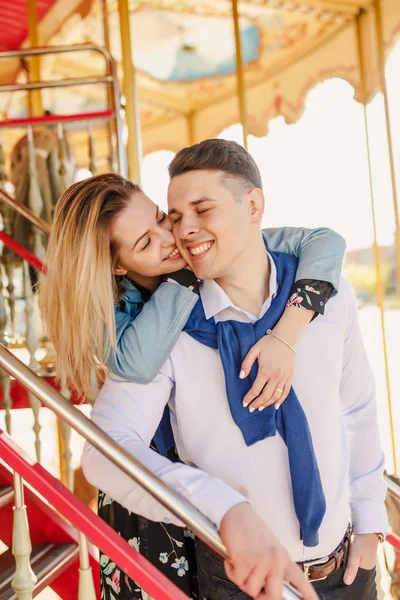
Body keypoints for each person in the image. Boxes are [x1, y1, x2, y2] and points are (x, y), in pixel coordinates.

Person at [80, 140, 388, 600]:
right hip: (237, 581)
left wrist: (369, 522)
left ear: (253, 206)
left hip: (347, 569)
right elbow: (103, 452)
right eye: (175, 215)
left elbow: (357, 410)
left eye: (201, 210)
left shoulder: (326, 294)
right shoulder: (164, 331)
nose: (182, 232)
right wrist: (225, 508)